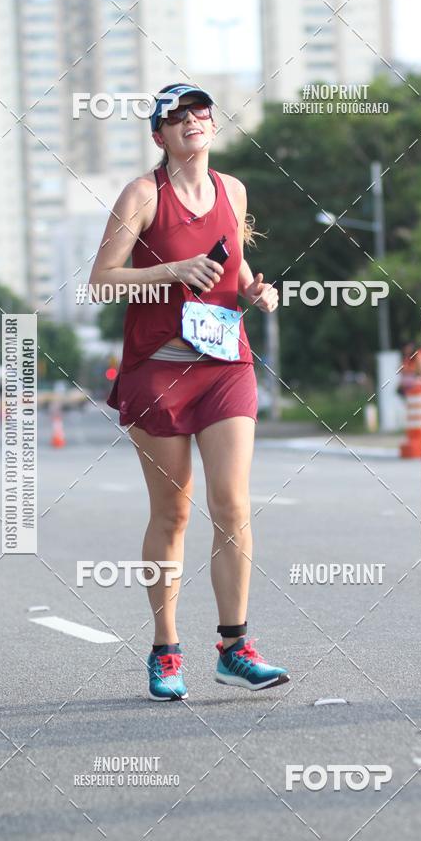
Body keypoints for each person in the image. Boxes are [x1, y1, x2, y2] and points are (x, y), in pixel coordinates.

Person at [89, 83, 290, 701]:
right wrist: (171, 271)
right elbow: (101, 280)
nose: (190, 121)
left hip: (225, 363)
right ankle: (166, 650)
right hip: (160, 369)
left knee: (232, 506)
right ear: (160, 136)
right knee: (173, 513)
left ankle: (235, 648)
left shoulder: (234, 190)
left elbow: (237, 271)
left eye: (198, 111)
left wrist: (258, 291)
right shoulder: (142, 195)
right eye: (174, 116)